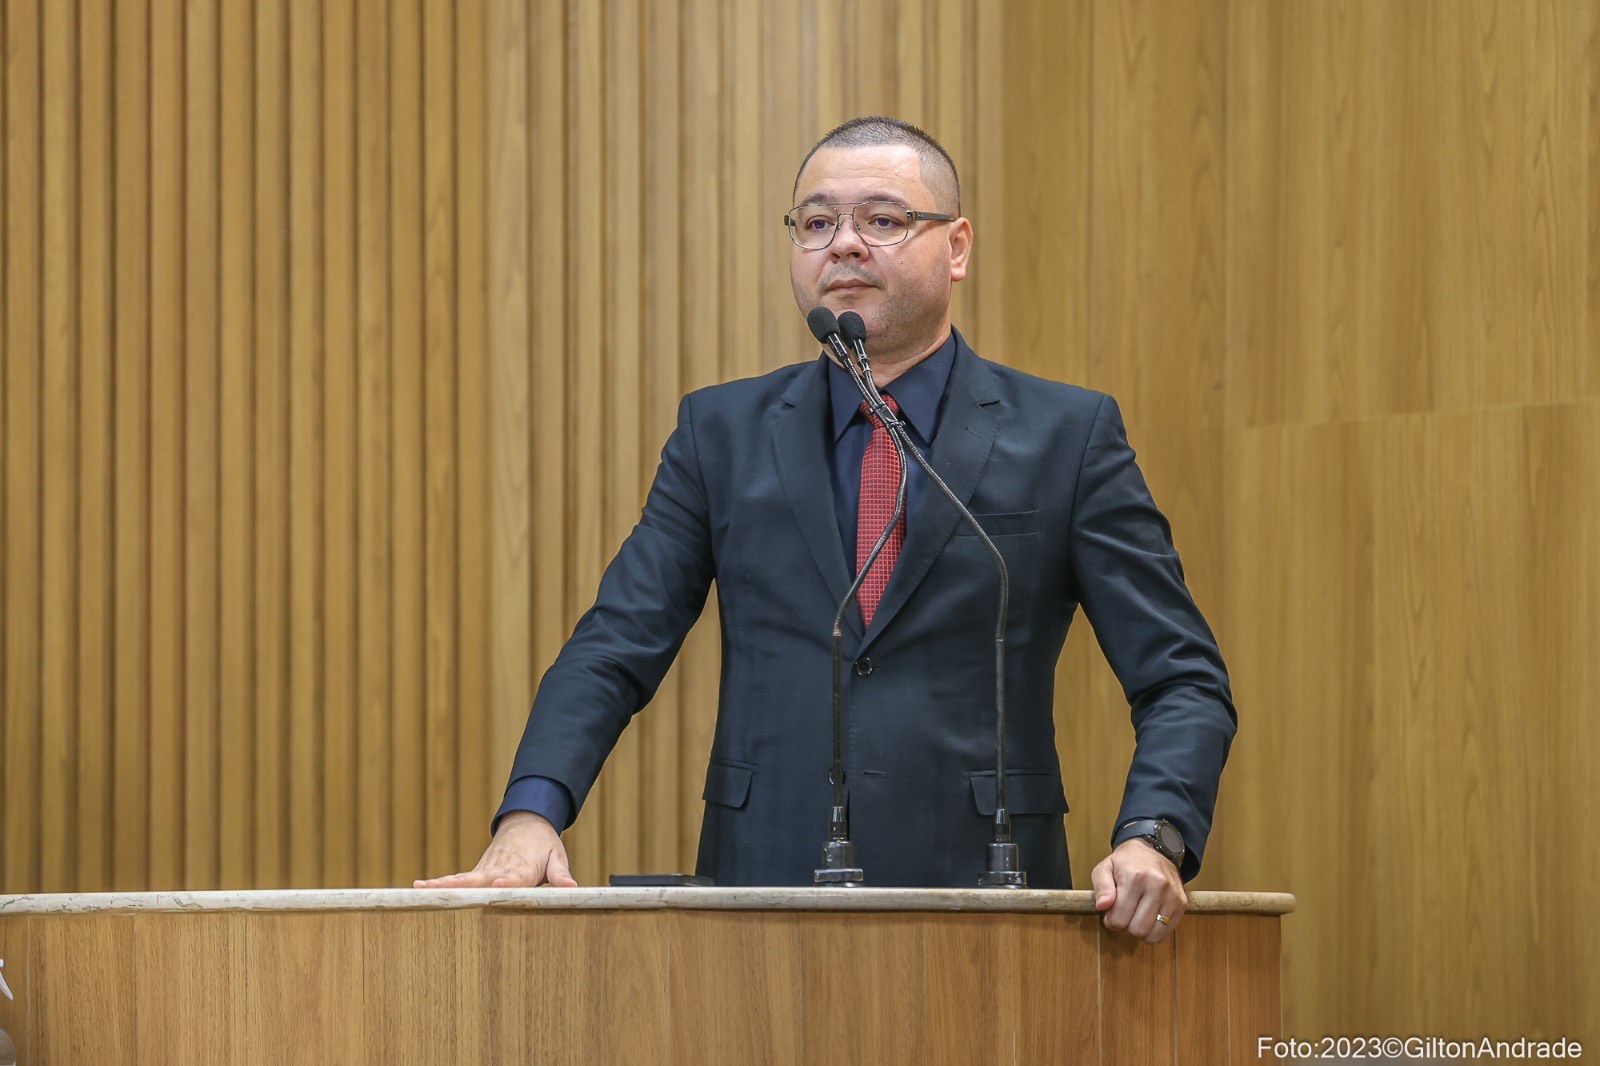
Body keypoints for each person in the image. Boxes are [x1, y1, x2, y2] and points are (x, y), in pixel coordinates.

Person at [416, 116, 1235, 945]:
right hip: (761, 901)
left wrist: (1153, 834)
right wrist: (532, 811)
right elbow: (616, 644)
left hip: (991, 903)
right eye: (816, 223)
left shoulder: (1068, 435)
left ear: (956, 247)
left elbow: (1182, 678)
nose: (842, 244)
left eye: (881, 219)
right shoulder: (722, 434)